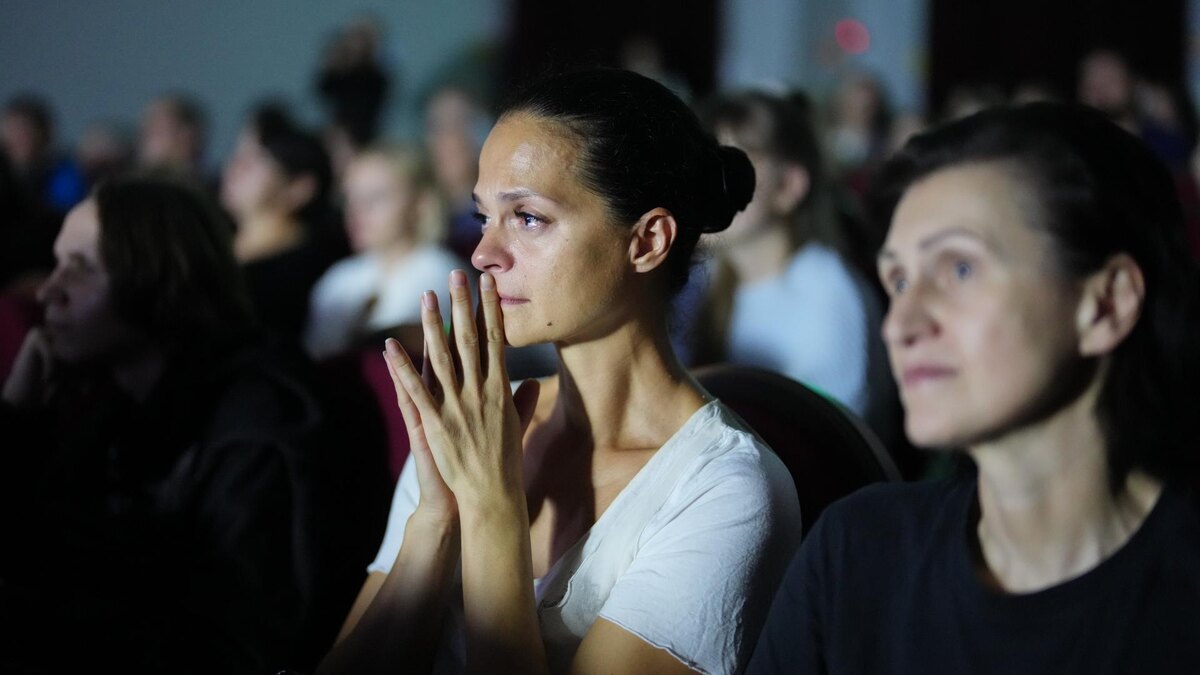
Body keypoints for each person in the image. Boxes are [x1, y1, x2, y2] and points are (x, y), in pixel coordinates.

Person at [318, 68, 802, 675]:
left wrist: (492, 510)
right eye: (484, 216)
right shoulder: (477, 421)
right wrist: (436, 521)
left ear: (647, 241)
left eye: (527, 218)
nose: (483, 254)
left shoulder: (725, 490)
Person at [747, 103, 1200, 674]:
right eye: (900, 280)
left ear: (1105, 303)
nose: (901, 323)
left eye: (959, 269)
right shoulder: (856, 550)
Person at [0, 174, 385, 673]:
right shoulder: (103, 398)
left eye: (81, 270)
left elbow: (241, 643)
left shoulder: (260, 420)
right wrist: (17, 415)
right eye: (56, 265)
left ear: (161, 277)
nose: (49, 292)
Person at [689, 90, 891, 426]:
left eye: (731, 165)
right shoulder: (706, 280)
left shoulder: (826, 290)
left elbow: (827, 439)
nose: (704, 183)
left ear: (789, 186)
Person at [304, 143, 462, 359]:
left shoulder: (441, 272)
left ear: (420, 203)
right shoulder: (338, 278)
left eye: (375, 197)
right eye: (351, 198)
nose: (357, 211)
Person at [221, 103, 345, 340]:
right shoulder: (212, 254)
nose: (235, 167)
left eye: (255, 160)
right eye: (237, 155)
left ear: (300, 188)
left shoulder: (311, 273)